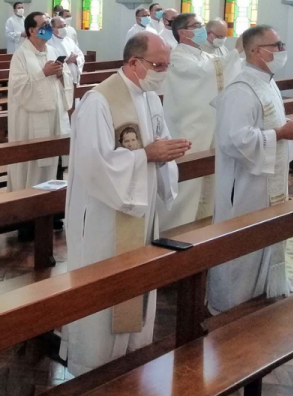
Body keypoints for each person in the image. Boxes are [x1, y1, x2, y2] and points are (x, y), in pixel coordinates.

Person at [62, 32, 189, 374]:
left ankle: (132, 356)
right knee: (104, 292)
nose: (163, 71)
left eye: (166, 65)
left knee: (136, 284)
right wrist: (148, 155)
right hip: (106, 216)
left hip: (141, 211)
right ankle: (93, 365)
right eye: (157, 65)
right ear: (133, 62)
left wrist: (166, 154)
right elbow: (94, 164)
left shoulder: (150, 98)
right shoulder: (99, 101)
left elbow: (156, 144)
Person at [207, 25, 293, 314]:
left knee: (266, 237)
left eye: (281, 44)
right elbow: (233, 140)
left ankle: (261, 294)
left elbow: (263, 125)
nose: (282, 50)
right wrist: (279, 133)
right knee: (242, 246)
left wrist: (286, 125)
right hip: (245, 186)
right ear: (256, 51)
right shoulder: (241, 90)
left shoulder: (267, 82)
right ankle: (229, 304)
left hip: (268, 181)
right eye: (277, 45)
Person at [162, 13, 242, 229]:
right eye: (195, 25)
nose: (200, 28)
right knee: (189, 184)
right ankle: (177, 229)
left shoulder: (204, 56)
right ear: (182, 32)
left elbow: (225, 71)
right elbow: (201, 73)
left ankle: (204, 227)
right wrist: (236, 51)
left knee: (211, 179)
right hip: (189, 127)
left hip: (211, 127)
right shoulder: (178, 56)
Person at [7, 13, 73, 194]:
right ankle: (27, 205)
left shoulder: (52, 50)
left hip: (54, 116)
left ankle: (51, 208)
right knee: (33, 164)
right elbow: (18, 88)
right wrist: (42, 73)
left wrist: (61, 75)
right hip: (31, 120)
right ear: (32, 30)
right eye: (44, 25)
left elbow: (66, 78)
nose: (49, 28)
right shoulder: (21, 55)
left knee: (54, 162)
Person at [48, 16, 85, 84]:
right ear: (52, 29)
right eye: (60, 26)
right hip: (59, 80)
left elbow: (80, 55)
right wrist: (66, 61)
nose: (63, 28)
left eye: (64, 25)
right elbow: (49, 61)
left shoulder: (69, 40)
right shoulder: (48, 42)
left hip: (73, 77)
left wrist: (76, 60)